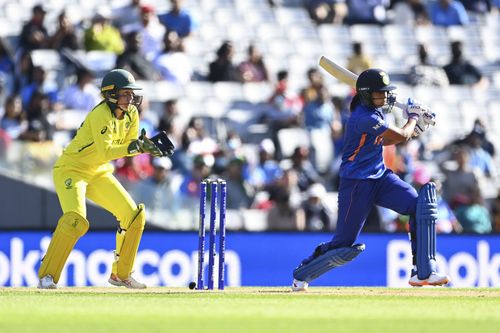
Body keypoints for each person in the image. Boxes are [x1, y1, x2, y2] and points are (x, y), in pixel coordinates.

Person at [291, 68, 449, 291]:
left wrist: (413, 129)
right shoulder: (362, 117)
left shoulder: (372, 110)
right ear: (366, 93)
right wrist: (413, 118)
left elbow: (384, 141)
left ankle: (423, 271)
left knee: (419, 206)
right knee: (343, 246)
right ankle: (302, 273)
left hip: (380, 177)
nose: (384, 97)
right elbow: (401, 135)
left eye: (386, 93)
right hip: (356, 183)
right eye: (379, 93)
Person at [37, 69, 173, 289]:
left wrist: (144, 147)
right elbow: (107, 151)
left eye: (132, 94)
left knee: (134, 216)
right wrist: (138, 147)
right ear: (111, 94)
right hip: (72, 169)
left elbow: (128, 148)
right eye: (125, 94)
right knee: (75, 220)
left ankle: (122, 274)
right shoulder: (100, 114)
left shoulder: (131, 114)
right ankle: (47, 276)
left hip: (98, 171)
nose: (130, 99)